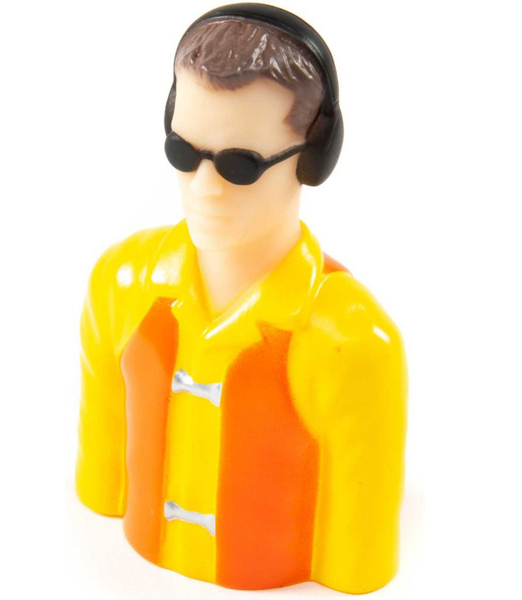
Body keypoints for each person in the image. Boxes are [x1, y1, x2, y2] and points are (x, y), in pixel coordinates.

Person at [75, 4, 407, 594]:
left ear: (313, 157)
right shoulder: (120, 282)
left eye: (240, 166)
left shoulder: (353, 343)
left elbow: (358, 565)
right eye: (183, 153)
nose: (205, 189)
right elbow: (99, 490)